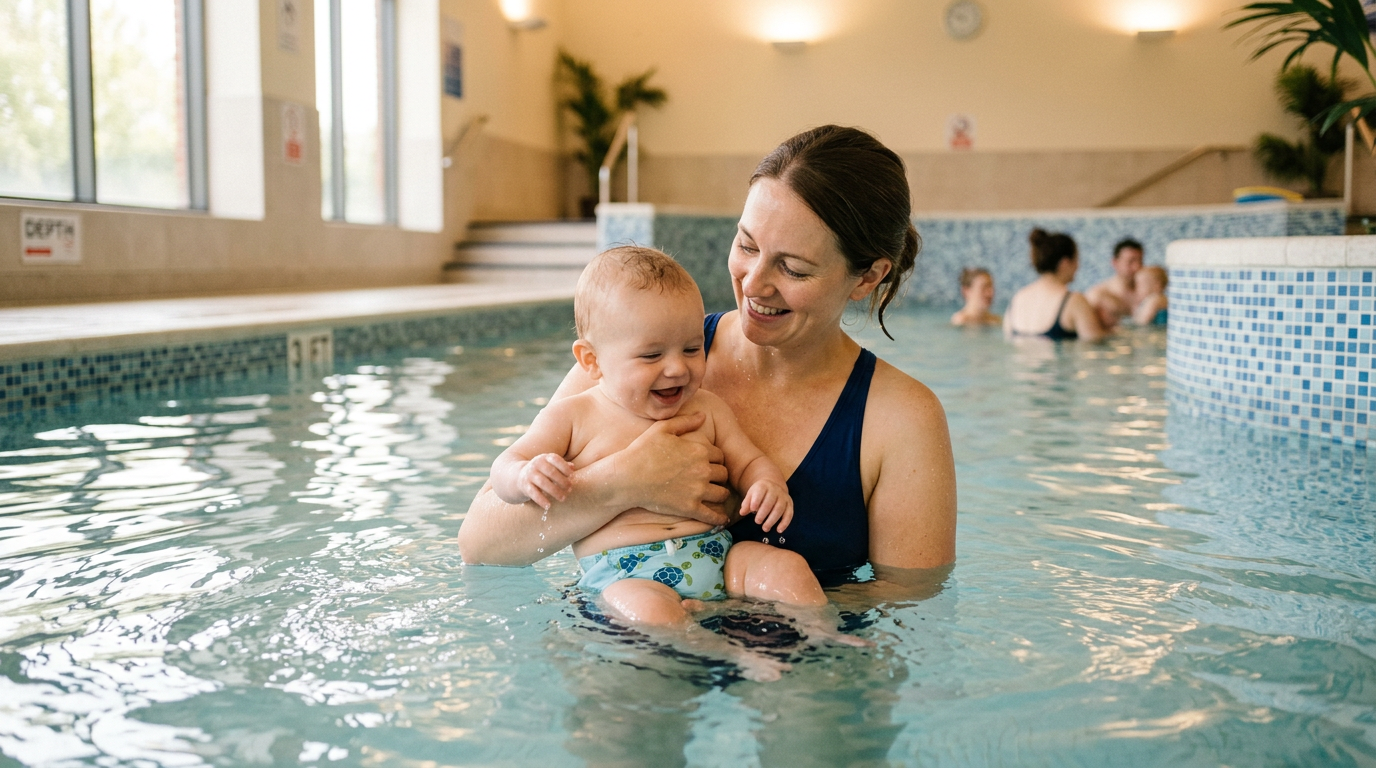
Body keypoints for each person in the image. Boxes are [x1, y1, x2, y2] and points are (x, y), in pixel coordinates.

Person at [458, 125, 956, 596]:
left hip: (790, 668)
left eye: (792, 267)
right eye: (747, 244)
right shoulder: (635, 358)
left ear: (868, 277)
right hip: (630, 644)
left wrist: (731, 620)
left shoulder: (901, 419)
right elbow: (481, 546)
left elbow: (905, 605)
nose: (753, 283)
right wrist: (624, 482)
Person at [489, 246, 839, 630]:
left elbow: (748, 460)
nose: (677, 368)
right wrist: (525, 476)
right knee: (647, 613)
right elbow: (505, 465)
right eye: (651, 356)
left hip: (717, 557)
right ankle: (727, 654)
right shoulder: (573, 416)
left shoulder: (707, 408)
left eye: (692, 349)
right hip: (627, 575)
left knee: (785, 567)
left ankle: (824, 633)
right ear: (591, 360)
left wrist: (766, 484)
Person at [1003, 228, 1108, 342]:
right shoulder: (1074, 301)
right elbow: (1095, 346)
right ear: (1065, 263)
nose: (1078, 266)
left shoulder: (1018, 298)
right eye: (1076, 260)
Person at [1086, 237, 1144, 320]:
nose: (1137, 267)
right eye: (1130, 262)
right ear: (1115, 263)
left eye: (1140, 261)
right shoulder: (1098, 295)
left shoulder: (1145, 292)